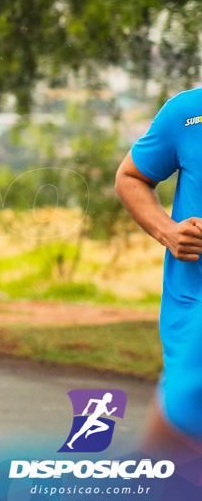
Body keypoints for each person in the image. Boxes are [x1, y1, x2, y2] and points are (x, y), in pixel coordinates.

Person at [115, 88, 202, 458]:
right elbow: (130, 176)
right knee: (179, 444)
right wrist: (167, 230)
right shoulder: (187, 112)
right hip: (195, 312)